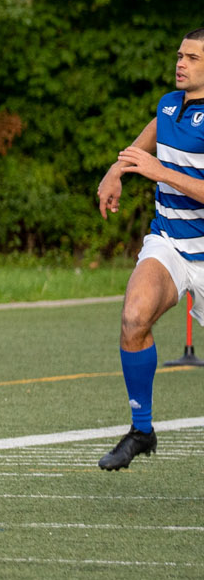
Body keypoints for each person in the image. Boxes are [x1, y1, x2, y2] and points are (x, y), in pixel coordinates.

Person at [95, 28, 204, 470]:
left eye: (193, 58)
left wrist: (161, 172)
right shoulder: (168, 105)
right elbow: (151, 135)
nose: (181, 63)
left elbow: (161, 169)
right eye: (180, 55)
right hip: (170, 244)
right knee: (133, 317)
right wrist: (115, 171)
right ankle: (142, 430)